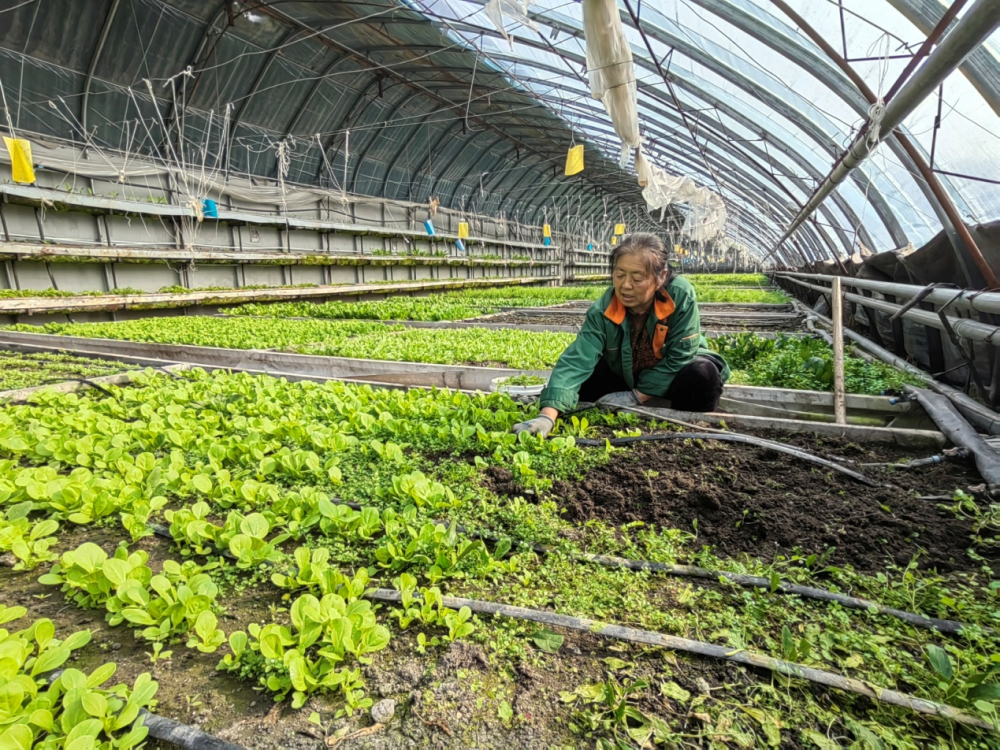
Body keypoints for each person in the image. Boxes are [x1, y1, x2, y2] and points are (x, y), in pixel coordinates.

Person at [513, 233, 729, 438]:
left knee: (702, 376)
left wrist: (637, 397)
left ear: (661, 276)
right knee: (586, 379)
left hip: (672, 376)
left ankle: (686, 433)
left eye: (637, 277)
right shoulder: (603, 310)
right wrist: (546, 416)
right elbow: (577, 361)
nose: (626, 285)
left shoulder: (679, 295)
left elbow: (681, 355)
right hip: (626, 374)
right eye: (619, 275)